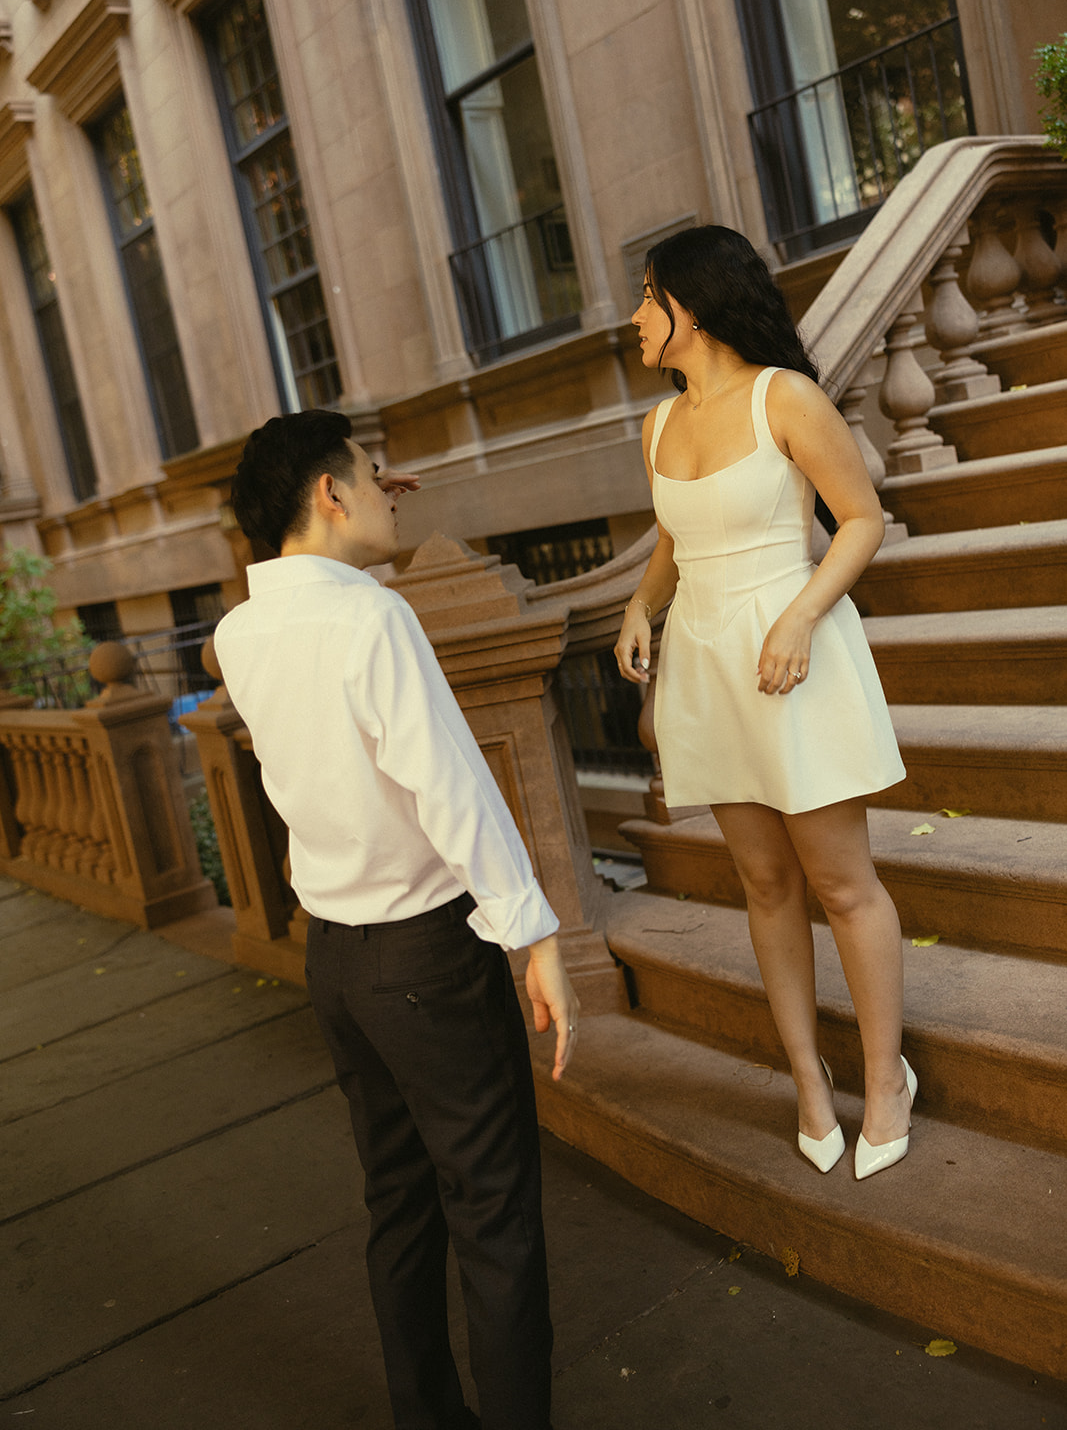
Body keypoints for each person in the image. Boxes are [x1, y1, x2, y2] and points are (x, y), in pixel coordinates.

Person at [214, 409, 579, 1430]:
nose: (390, 488)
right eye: (373, 475)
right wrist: (533, 936)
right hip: (425, 951)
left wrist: (359, 500)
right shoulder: (370, 617)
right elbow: (449, 787)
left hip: (333, 957)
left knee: (400, 1202)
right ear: (329, 494)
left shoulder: (238, 632)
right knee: (493, 1209)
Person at [614, 225, 915, 1181]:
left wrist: (799, 617)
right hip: (704, 665)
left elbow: (861, 520)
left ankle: (885, 1077)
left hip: (794, 655)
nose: (631, 317)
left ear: (688, 307)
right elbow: (676, 537)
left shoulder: (786, 398)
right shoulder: (657, 426)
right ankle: (809, 1082)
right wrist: (638, 606)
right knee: (764, 884)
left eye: (645, 296)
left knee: (838, 881)